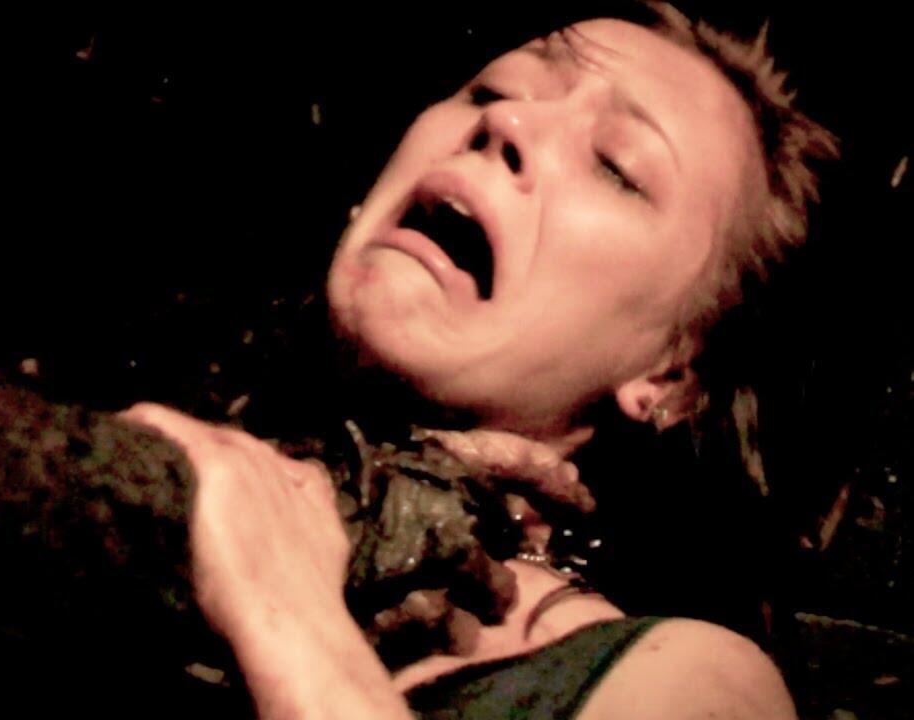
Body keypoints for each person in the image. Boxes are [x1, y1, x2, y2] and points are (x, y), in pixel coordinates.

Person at [121, 3, 838, 719]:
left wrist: (285, 608)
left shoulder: (687, 683)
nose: (507, 121)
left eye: (618, 167)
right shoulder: (156, 465)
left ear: (668, 374)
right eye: (494, 90)